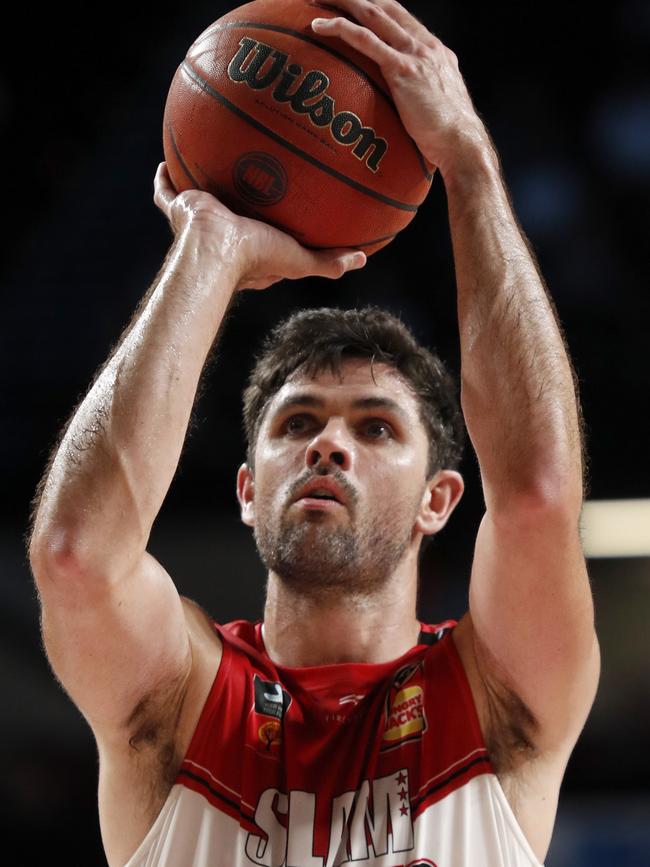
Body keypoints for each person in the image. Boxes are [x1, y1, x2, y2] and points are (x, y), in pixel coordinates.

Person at [27, 1, 600, 865]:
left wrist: (471, 167)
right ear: (248, 491)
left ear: (441, 498)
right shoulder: (182, 698)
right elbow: (76, 554)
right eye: (298, 423)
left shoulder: (495, 695)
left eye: (376, 427)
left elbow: (539, 495)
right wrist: (210, 249)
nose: (329, 445)